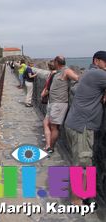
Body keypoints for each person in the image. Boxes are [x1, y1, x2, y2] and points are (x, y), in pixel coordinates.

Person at [62, 51, 106, 205]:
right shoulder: (98, 74)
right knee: (82, 165)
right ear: (97, 61)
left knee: (81, 162)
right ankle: (77, 201)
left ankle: (85, 196)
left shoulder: (89, 73)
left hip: (75, 123)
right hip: (82, 126)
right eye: (105, 62)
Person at [40, 57, 78, 153]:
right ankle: (49, 146)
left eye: (54, 61)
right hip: (53, 103)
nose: (53, 63)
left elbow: (77, 78)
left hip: (59, 104)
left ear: (57, 62)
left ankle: (51, 148)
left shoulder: (66, 70)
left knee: (54, 127)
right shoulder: (57, 72)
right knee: (47, 123)